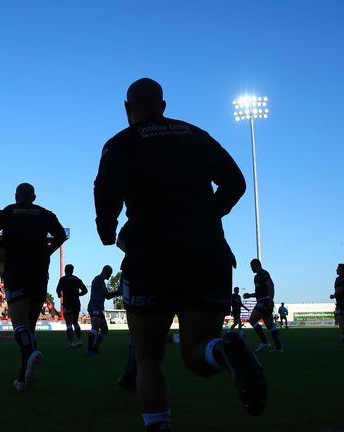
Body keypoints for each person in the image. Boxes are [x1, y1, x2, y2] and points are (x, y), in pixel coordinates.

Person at [95, 78, 263, 431]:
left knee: (148, 356)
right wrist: (208, 216)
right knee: (198, 351)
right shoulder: (194, 135)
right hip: (207, 254)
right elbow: (236, 182)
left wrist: (108, 234)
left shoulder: (120, 145)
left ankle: (159, 426)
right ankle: (224, 351)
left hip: (150, 257)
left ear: (128, 108)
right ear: (163, 105)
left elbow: (105, 197)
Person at [0, 183, 67, 392]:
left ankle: (30, 354)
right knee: (29, 326)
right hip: (39, 272)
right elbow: (61, 235)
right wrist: (48, 250)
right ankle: (23, 379)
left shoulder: (9, 211)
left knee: (20, 326)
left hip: (16, 271)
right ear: (34, 197)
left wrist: (5, 245)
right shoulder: (45, 213)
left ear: (16, 196)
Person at [245, 259, 284, 353]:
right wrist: (250, 295)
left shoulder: (263, 273)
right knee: (270, 325)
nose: (251, 268)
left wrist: (270, 299)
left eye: (252, 266)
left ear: (257, 265)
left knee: (252, 320)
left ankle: (265, 342)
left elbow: (271, 285)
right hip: (263, 300)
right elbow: (260, 292)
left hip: (264, 301)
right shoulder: (257, 277)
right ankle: (279, 348)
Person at [86, 265, 118, 357]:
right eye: (110, 273)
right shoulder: (98, 279)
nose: (110, 276)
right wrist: (118, 292)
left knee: (105, 330)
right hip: (94, 305)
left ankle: (94, 348)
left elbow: (107, 296)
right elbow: (105, 294)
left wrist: (118, 293)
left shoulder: (102, 281)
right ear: (105, 271)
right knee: (95, 328)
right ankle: (89, 350)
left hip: (99, 307)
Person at [55, 264, 88, 348]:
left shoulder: (63, 279)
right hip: (76, 303)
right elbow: (85, 290)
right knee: (75, 322)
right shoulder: (77, 279)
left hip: (68, 303)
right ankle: (79, 340)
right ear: (72, 270)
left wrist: (59, 295)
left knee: (69, 324)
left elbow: (58, 289)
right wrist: (78, 294)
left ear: (65, 270)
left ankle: (71, 342)